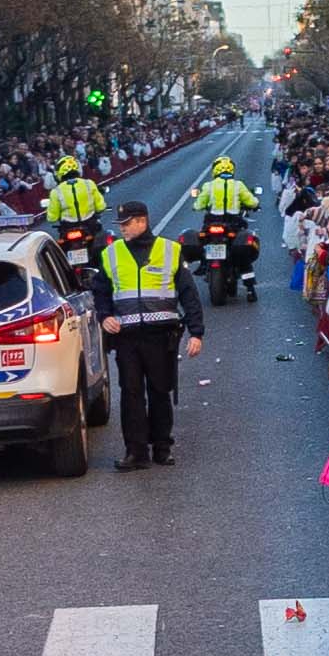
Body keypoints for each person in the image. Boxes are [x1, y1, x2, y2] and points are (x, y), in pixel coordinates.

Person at [93, 201, 204, 469]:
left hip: (161, 335)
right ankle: (136, 452)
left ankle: (162, 448)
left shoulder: (170, 250)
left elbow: (189, 293)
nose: (122, 229)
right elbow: (101, 290)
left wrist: (196, 332)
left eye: (127, 224)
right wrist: (105, 316)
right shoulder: (111, 253)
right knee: (130, 393)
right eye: (120, 225)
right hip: (126, 336)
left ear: (142, 221)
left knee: (159, 391)